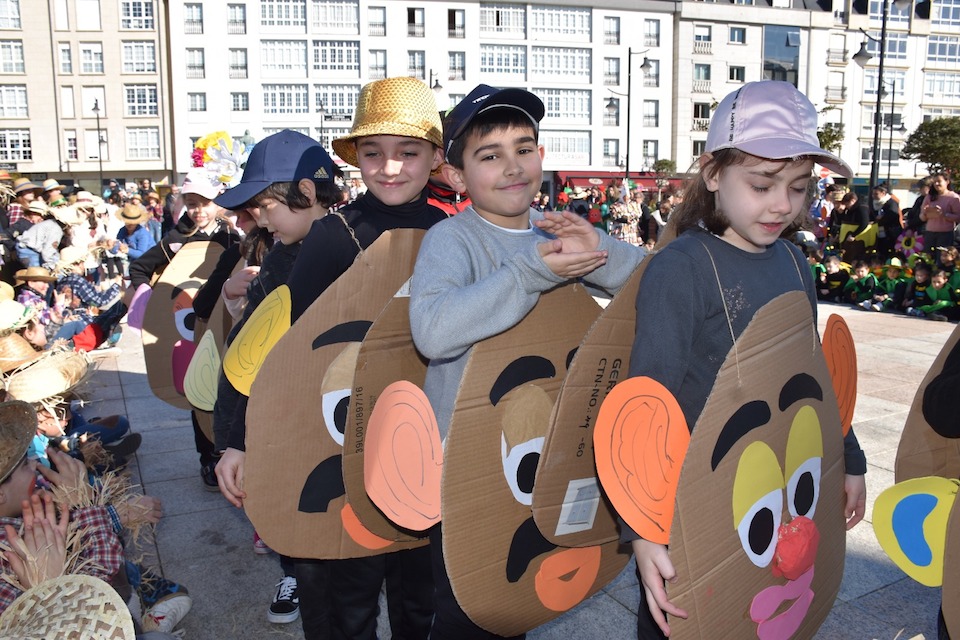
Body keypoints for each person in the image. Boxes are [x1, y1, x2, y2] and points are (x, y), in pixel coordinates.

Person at [619, 81, 867, 639]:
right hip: (690, 499)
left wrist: (848, 455)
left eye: (799, 188)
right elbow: (646, 403)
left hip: (772, 489)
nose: (782, 204)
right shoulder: (680, 267)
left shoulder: (795, 264)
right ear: (713, 174)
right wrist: (643, 530)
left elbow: (814, 376)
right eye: (761, 184)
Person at [409, 84, 645, 640]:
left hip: (543, 455)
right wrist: (529, 273)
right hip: (466, 466)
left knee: (520, 594)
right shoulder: (452, 240)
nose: (514, 167)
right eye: (490, 156)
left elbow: (657, 291)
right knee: (468, 606)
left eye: (526, 147)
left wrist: (602, 250)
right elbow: (434, 331)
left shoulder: (553, 230)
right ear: (458, 176)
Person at [221, 76, 449, 640]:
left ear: (436, 158)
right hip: (341, 445)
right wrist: (239, 438)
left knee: (421, 599)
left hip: (425, 443)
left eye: (408, 153)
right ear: (357, 160)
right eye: (374, 153)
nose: (390, 168)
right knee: (349, 604)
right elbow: (280, 354)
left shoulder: (452, 231)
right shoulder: (330, 236)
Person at [210, 129, 342, 628]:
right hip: (267, 417)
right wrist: (233, 301)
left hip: (304, 416)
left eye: (265, 205)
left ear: (306, 193)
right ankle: (297, 568)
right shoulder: (280, 254)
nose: (257, 218)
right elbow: (255, 344)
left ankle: (306, 571)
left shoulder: (333, 256)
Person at [919, 173, 960, 255]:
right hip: (929, 232)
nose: (936, 184)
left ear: (947, 182)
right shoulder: (929, 197)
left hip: (945, 234)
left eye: (939, 181)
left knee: (941, 259)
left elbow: (958, 217)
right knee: (927, 257)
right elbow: (922, 217)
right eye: (934, 182)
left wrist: (944, 215)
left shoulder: (954, 197)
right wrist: (925, 213)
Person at [873, 183, 902, 259]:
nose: (873, 196)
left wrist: (881, 219)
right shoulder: (874, 204)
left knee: (891, 253)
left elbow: (892, 216)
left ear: (883, 193)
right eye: (873, 194)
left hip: (891, 233)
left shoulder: (891, 203)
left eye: (876, 194)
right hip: (879, 232)